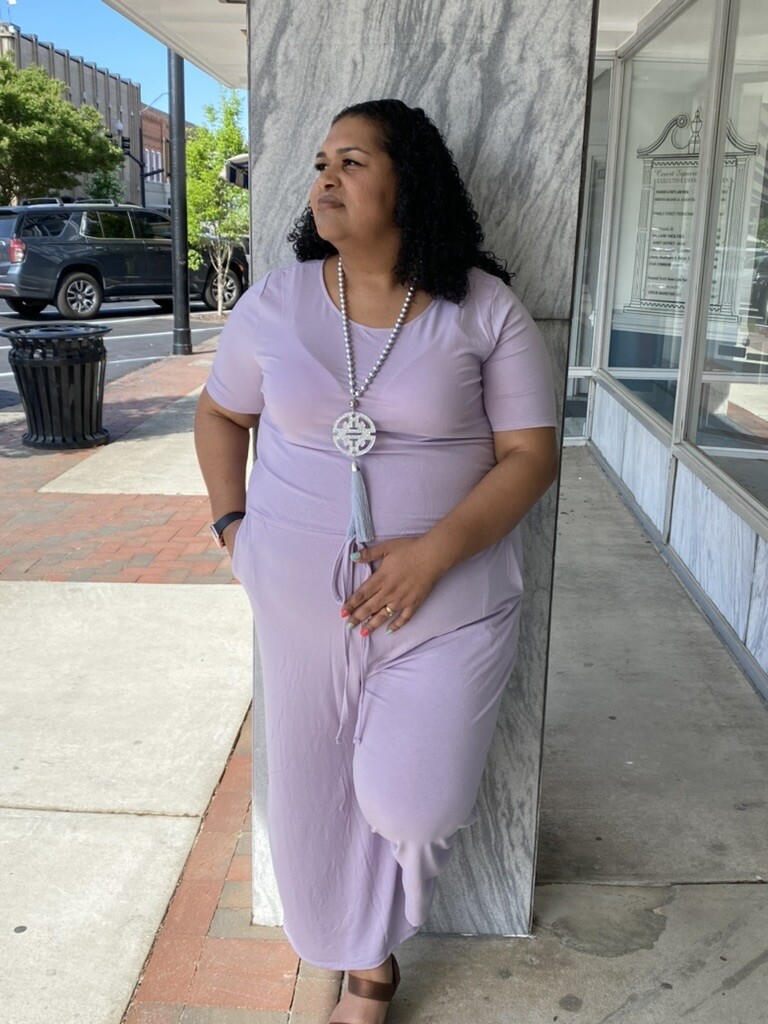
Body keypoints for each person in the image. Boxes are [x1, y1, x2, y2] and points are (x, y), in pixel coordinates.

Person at [194, 98, 559, 1024]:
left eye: (352, 162)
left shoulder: (483, 308)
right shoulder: (276, 302)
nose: (326, 178)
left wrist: (431, 556)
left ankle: (380, 930)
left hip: (450, 602)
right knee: (310, 814)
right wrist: (233, 528)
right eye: (322, 163)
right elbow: (222, 413)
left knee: (414, 805)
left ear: (409, 183)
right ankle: (368, 966)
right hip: (300, 609)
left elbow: (531, 455)